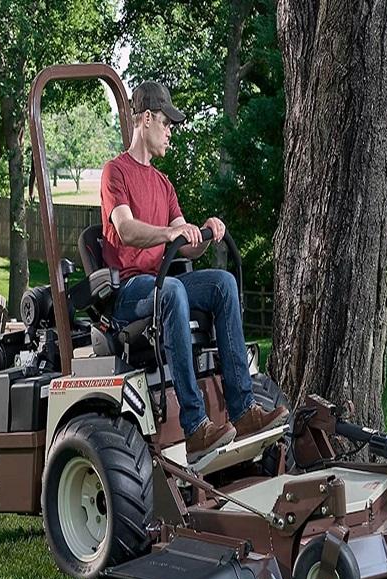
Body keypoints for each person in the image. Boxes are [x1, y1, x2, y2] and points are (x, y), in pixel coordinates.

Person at [101, 81, 288, 463]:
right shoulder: (114, 172)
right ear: (146, 119)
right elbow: (126, 229)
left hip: (162, 281)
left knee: (222, 283)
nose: (170, 131)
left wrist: (205, 232)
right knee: (173, 291)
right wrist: (169, 233)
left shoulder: (163, 184)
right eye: (166, 122)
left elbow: (184, 244)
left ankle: (243, 411)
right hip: (130, 290)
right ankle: (195, 427)